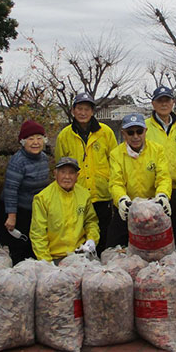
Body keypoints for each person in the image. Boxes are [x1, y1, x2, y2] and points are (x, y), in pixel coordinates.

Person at [55, 92, 117, 252]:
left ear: (92, 111)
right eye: (79, 108)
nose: (83, 113)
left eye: (87, 109)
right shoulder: (64, 136)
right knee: (79, 236)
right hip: (77, 194)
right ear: (73, 110)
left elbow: (116, 162)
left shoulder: (106, 132)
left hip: (102, 194)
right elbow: (60, 167)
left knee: (104, 235)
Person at [107, 113, 172, 248]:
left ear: (145, 131)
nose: (135, 136)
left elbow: (163, 176)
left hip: (153, 210)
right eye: (130, 132)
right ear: (123, 134)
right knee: (114, 248)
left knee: (157, 249)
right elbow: (115, 182)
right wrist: (121, 199)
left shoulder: (157, 150)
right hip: (127, 209)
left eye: (139, 131)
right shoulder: (115, 154)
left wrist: (163, 194)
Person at [0, 119, 51, 264]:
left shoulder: (44, 158)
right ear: (23, 141)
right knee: (19, 250)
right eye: (30, 138)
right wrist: (11, 216)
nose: (35, 142)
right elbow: (10, 190)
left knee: (35, 248)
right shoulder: (18, 161)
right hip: (18, 211)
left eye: (39, 138)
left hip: (35, 210)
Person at [30, 157, 100, 263]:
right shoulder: (43, 198)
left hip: (80, 254)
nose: (67, 177)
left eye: (71, 173)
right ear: (55, 174)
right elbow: (38, 234)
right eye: (63, 172)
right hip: (54, 257)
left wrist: (92, 239)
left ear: (77, 176)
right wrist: (47, 262)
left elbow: (91, 222)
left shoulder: (84, 195)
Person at [144, 85, 176, 246]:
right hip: (152, 188)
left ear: (173, 102)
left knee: (173, 225)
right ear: (153, 104)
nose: (164, 104)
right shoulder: (145, 127)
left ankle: (173, 260)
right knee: (153, 229)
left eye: (167, 100)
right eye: (160, 101)